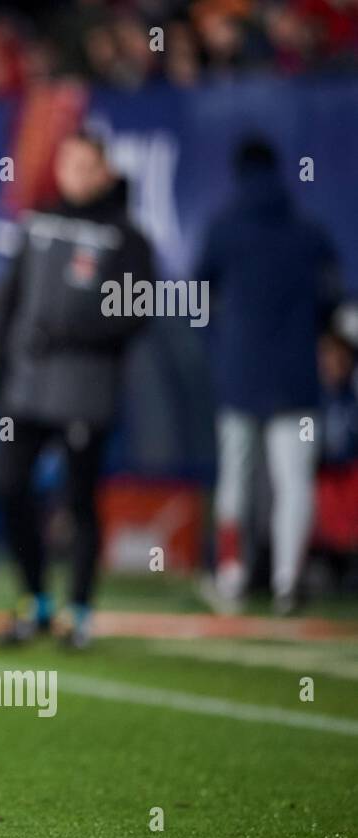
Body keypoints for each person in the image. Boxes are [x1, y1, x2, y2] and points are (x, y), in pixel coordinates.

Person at [0, 131, 152, 649]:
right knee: (9, 485)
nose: (78, 175)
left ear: (105, 171)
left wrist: (70, 334)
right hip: (28, 389)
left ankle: (78, 611)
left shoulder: (127, 237)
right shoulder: (37, 222)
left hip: (86, 389)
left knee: (78, 500)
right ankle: (35, 601)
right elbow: (10, 302)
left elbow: (136, 313)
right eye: (70, 165)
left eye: (88, 166)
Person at [197, 136, 341, 616]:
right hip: (298, 375)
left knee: (235, 479)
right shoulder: (309, 231)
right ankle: (287, 582)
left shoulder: (224, 227)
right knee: (293, 480)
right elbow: (332, 302)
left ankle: (233, 577)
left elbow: (199, 296)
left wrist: (218, 343)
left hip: (239, 373)